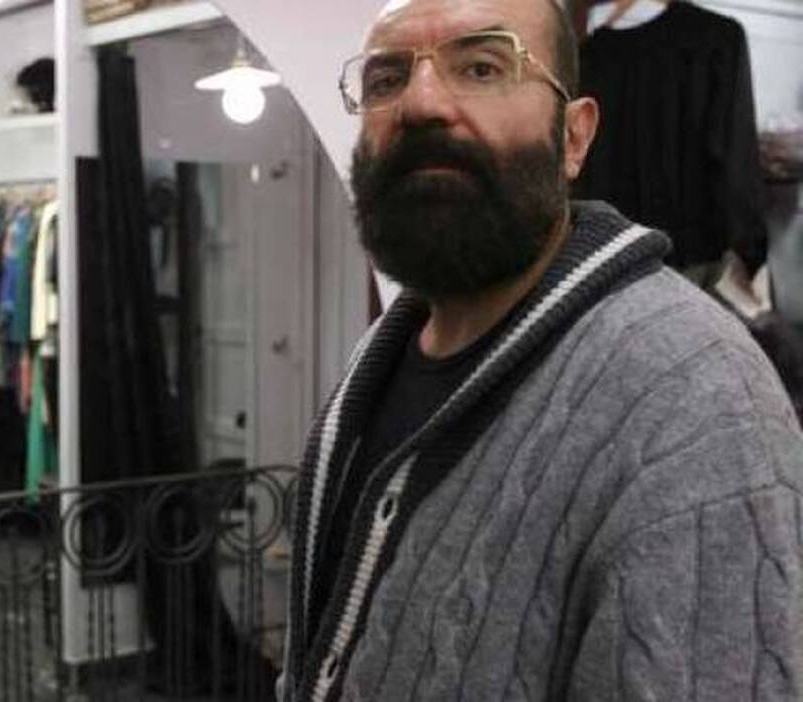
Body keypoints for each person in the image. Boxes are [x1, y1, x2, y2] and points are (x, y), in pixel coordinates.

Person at [280, 1, 803, 700]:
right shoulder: (381, 354)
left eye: (482, 67)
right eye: (386, 79)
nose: (421, 102)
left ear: (574, 137)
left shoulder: (694, 401)